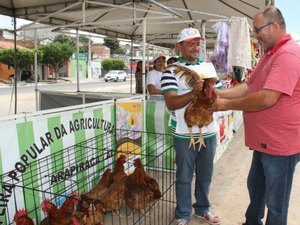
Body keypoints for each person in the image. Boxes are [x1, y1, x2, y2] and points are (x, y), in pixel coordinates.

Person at [211, 6, 300, 225]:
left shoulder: (288, 54)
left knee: (277, 203)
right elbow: (249, 86)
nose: (255, 35)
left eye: (258, 29)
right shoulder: (269, 53)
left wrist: (225, 105)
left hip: (281, 146)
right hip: (264, 143)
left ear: (275, 26)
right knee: (256, 189)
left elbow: (267, 97)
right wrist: (219, 93)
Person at [161, 27, 221, 225]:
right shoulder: (171, 71)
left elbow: (219, 96)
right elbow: (171, 103)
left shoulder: (209, 67)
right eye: (191, 43)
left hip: (208, 131)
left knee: (206, 175)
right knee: (184, 176)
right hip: (183, 132)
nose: (196, 47)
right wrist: (194, 93)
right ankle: (183, 214)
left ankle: (202, 208)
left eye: (197, 43)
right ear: (180, 46)